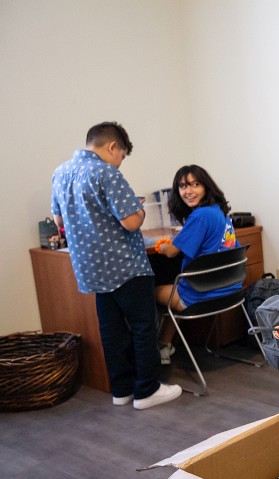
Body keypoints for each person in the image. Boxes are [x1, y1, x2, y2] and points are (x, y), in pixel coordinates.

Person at [51, 122, 182, 409]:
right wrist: (139, 209)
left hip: (91, 269)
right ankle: (147, 390)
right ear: (112, 147)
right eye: (121, 156)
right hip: (125, 267)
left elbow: (60, 223)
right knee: (142, 326)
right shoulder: (107, 173)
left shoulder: (60, 174)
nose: (120, 162)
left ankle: (121, 390)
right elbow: (131, 221)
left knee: (111, 330)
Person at [154, 165, 240, 364]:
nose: (188, 191)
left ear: (206, 187)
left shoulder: (199, 216)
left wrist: (163, 245)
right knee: (173, 285)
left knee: (149, 289)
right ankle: (164, 346)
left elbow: (172, 252)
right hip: (229, 290)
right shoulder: (219, 211)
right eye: (183, 186)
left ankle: (154, 352)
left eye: (195, 184)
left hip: (201, 295)